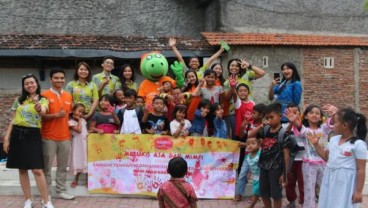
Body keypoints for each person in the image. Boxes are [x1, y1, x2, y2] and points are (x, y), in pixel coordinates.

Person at [3, 74, 54, 208]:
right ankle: (28, 199)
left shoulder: (43, 100)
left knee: (37, 169)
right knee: (22, 169)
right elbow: (13, 120)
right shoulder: (19, 100)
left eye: (32, 82)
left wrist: (39, 109)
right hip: (17, 135)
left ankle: (46, 200)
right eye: (26, 84)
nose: (30, 85)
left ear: (37, 84)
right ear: (24, 86)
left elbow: (43, 111)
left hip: (33, 135)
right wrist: (6, 138)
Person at [310, 108, 367, 208]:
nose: (332, 126)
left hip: (345, 185)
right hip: (330, 180)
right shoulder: (333, 139)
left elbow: (361, 169)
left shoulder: (358, 145)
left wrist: (358, 191)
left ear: (344, 125)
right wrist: (316, 144)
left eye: (335, 122)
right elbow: (327, 158)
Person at [285, 104, 337, 208]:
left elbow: (331, 122)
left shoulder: (324, 129)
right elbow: (300, 127)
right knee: (309, 190)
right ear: (305, 116)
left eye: (317, 113)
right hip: (309, 165)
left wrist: (335, 113)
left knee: (326, 188)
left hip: (324, 164)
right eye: (311, 113)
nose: (314, 115)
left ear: (321, 116)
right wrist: (294, 120)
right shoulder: (305, 130)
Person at [248, 103, 292, 208]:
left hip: (276, 168)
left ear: (280, 116)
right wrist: (261, 126)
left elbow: (286, 155)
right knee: (263, 193)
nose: (269, 120)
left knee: (276, 195)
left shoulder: (283, 134)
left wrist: (284, 174)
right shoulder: (265, 130)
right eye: (267, 117)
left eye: (272, 117)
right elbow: (250, 135)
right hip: (263, 166)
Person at [41, 68, 75, 200]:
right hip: (48, 136)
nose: (59, 80)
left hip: (65, 137)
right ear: (51, 79)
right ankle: (47, 193)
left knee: (62, 166)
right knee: (47, 167)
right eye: (56, 78)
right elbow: (41, 117)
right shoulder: (44, 96)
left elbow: (69, 115)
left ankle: (60, 191)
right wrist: (56, 115)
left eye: (61, 78)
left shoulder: (68, 95)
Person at [223, 58, 265, 139]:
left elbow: (262, 73)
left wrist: (249, 66)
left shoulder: (247, 75)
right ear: (228, 67)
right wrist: (232, 87)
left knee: (248, 134)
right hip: (233, 112)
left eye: (237, 66)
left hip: (248, 110)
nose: (234, 67)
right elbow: (227, 98)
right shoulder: (227, 82)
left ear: (240, 67)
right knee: (236, 135)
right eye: (232, 65)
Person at [234, 103, 266, 204]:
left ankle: (256, 195)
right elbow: (242, 135)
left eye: (254, 113)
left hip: (259, 155)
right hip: (248, 155)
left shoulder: (264, 126)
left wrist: (260, 126)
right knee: (242, 174)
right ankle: (239, 194)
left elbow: (254, 137)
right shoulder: (249, 124)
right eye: (252, 113)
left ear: (261, 115)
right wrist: (242, 127)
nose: (252, 115)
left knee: (257, 176)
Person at [68, 103, 88, 188]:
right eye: (79, 111)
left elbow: (85, 131)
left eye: (82, 112)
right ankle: (76, 179)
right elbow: (79, 130)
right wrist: (79, 120)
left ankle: (88, 180)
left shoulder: (83, 121)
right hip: (77, 144)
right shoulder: (70, 122)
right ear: (73, 111)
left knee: (86, 160)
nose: (80, 114)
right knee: (78, 159)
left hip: (85, 142)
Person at [244, 137, 261, 208]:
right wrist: (249, 173)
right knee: (257, 192)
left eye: (253, 143)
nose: (250, 145)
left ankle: (251, 205)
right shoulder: (247, 156)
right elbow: (250, 165)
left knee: (256, 191)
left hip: (262, 177)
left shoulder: (260, 154)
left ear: (258, 145)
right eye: (248, 144)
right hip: (255, 177)